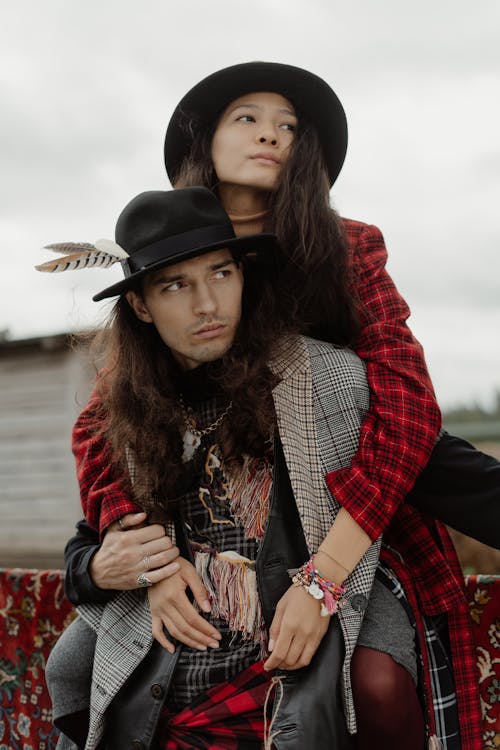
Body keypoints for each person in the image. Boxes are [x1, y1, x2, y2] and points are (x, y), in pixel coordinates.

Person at [47, 185, 395, 749]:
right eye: (175, 285)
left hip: (277, 692)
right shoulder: (128, 413)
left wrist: (323, 588)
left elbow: (400, 475)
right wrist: (101, 570)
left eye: (221, 274)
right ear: (140, 304)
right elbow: (90, 548)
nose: (206, 304)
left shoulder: (324, 381)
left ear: (244, 276)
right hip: (155, 696)